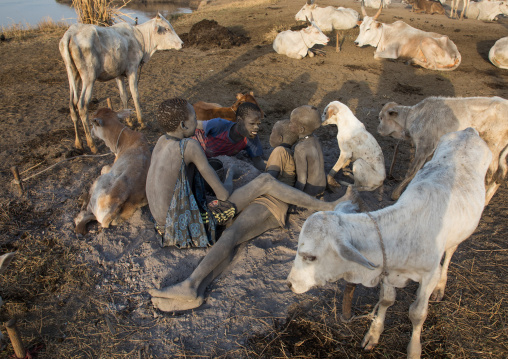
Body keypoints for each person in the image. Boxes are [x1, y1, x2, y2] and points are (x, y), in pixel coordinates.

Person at [146, 98, 353, 311]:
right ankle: (329, 207)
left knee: (236, 230)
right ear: (183, 125)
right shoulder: (190, 145)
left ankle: (194, 289)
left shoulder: (161, 142)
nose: (197, 121)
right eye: (193, 117)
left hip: (163, 225)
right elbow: (224, 195)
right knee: (264, 182)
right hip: (186, 224)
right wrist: (229, 178)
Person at [192, 102, 266, 171]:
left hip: (210, 161)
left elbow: (258, 162)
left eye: (258, 124)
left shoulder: (251, 138)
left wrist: (274, 169)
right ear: (239, 120)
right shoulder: (220, 125)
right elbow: (192, 124)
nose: (256, 127)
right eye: (252, 123)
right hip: (193, 148)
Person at [289, 105, 327, 197]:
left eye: (291, 122)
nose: (289, 124)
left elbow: (302, 179)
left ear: (301, 129)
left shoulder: (300, 148)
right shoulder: (315, 139)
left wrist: (295, 197)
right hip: (322, 185)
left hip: (311, 191)